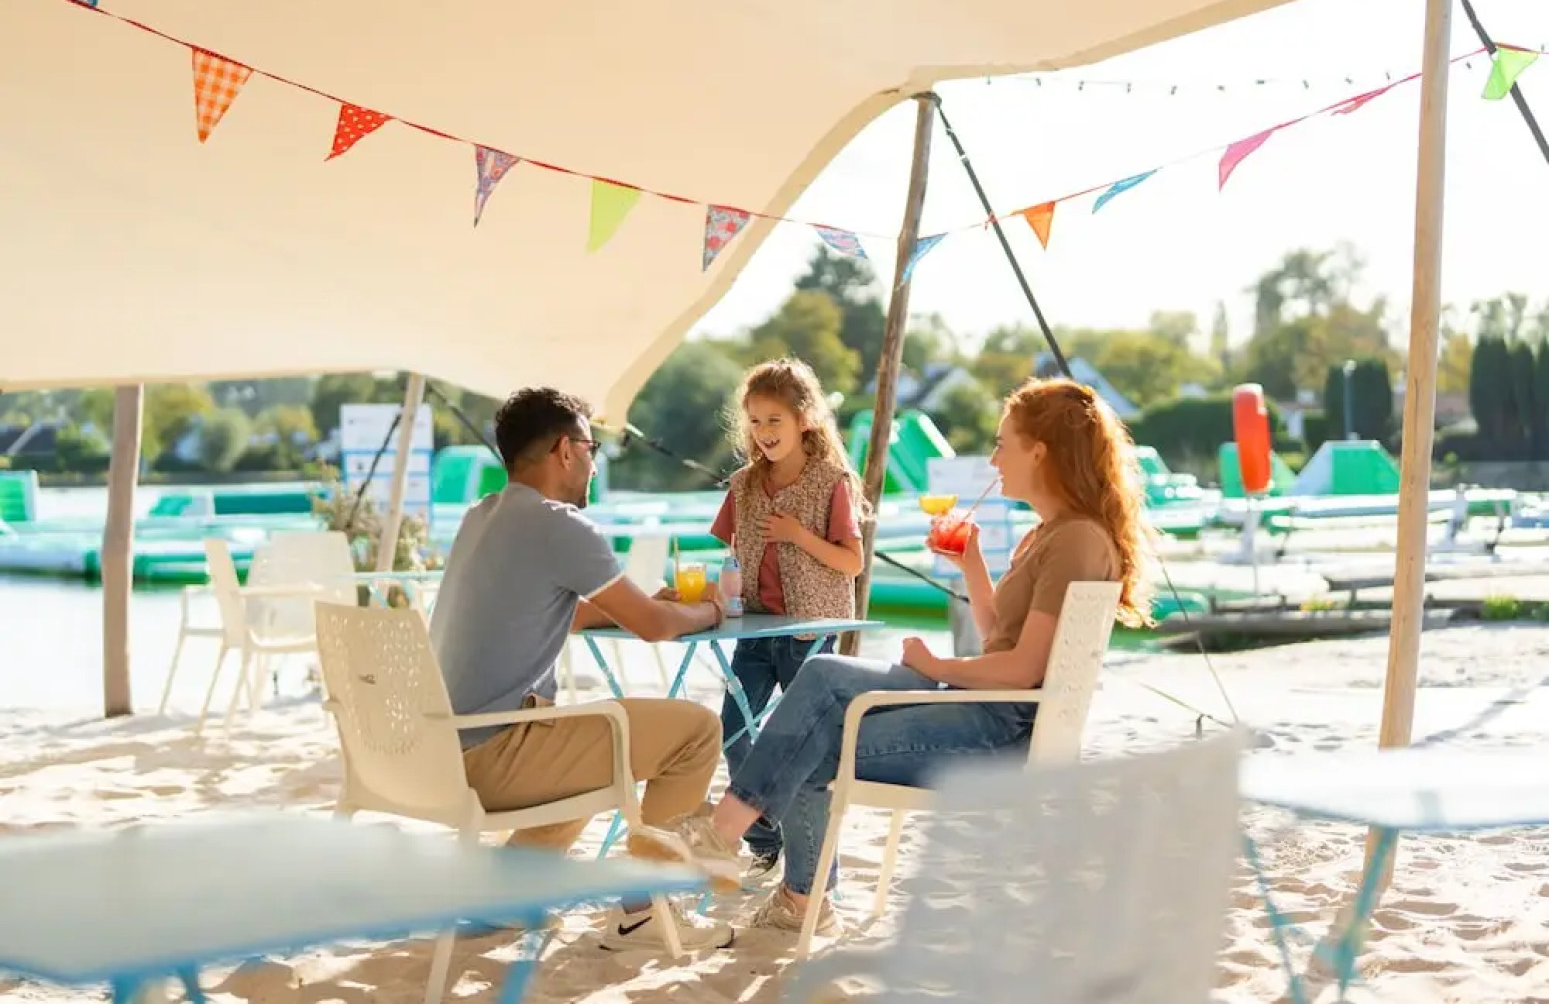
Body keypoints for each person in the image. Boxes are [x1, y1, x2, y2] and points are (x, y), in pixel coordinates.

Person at [632, 377, 1154, 937]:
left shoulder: (1076, 539)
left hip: (1000, 731)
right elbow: (1000, 636)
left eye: (1002, 444)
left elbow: (1024, 671)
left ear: (1039, 451)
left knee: (815, 737)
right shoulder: (1050, 534)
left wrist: (938, 668)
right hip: (984, 710)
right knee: (823, 676)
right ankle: (754, 863)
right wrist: (972, 565)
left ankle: (757, 864)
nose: (994, 459)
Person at [430, 387, 735, 951]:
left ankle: (507, 893)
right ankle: (647, 907)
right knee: (695, 731)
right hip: (493, 759)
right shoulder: (559, 525)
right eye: (592, 447)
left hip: (433, 751)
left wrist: (656, 607)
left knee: (588, 733)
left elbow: (551, 612)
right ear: (566, 450)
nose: (595, 463)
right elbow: (654, 629)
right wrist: (708, 609)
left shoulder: (483, 516)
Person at [707, 358, 864, 882]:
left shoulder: (831, 481)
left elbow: (853, 562)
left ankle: (811, 864)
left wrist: (799, 536)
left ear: (804, 420)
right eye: (755, 421)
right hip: (755, 630)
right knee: (735, 730)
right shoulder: (745, 484)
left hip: (810, 634)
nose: (764, 432)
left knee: (804, 746)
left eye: (775, 420)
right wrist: (714, 593)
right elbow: (730, 556)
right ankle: (764, 841)